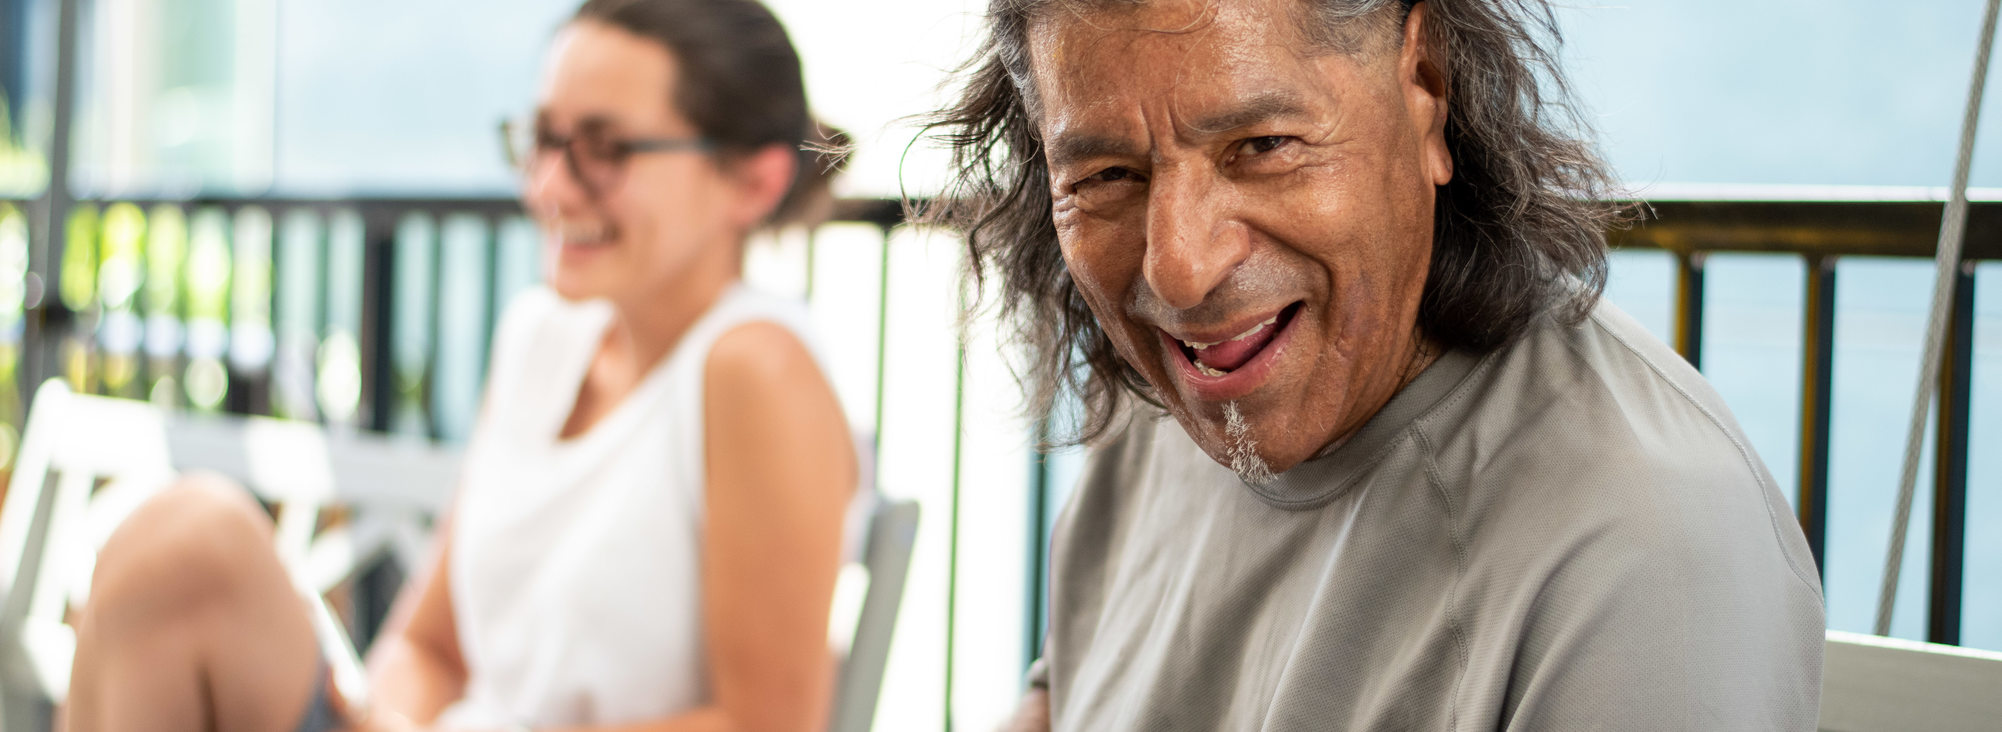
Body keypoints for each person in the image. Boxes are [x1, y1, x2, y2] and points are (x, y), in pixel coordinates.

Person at [925, 0, 1825, 729]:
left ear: (1424, 90)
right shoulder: (1164, 416)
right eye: (1108, 177)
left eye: (1265, 146)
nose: (1179, 269)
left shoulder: (1641, 540)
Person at [62, 1, 859, 730]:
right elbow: (428, 650)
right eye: (545, 139)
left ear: (753, 180)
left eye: (606, 149)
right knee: (180, 538)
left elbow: (768, 724)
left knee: (192, 543)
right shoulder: (543, 337)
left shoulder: (757, 367)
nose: (550, 186)